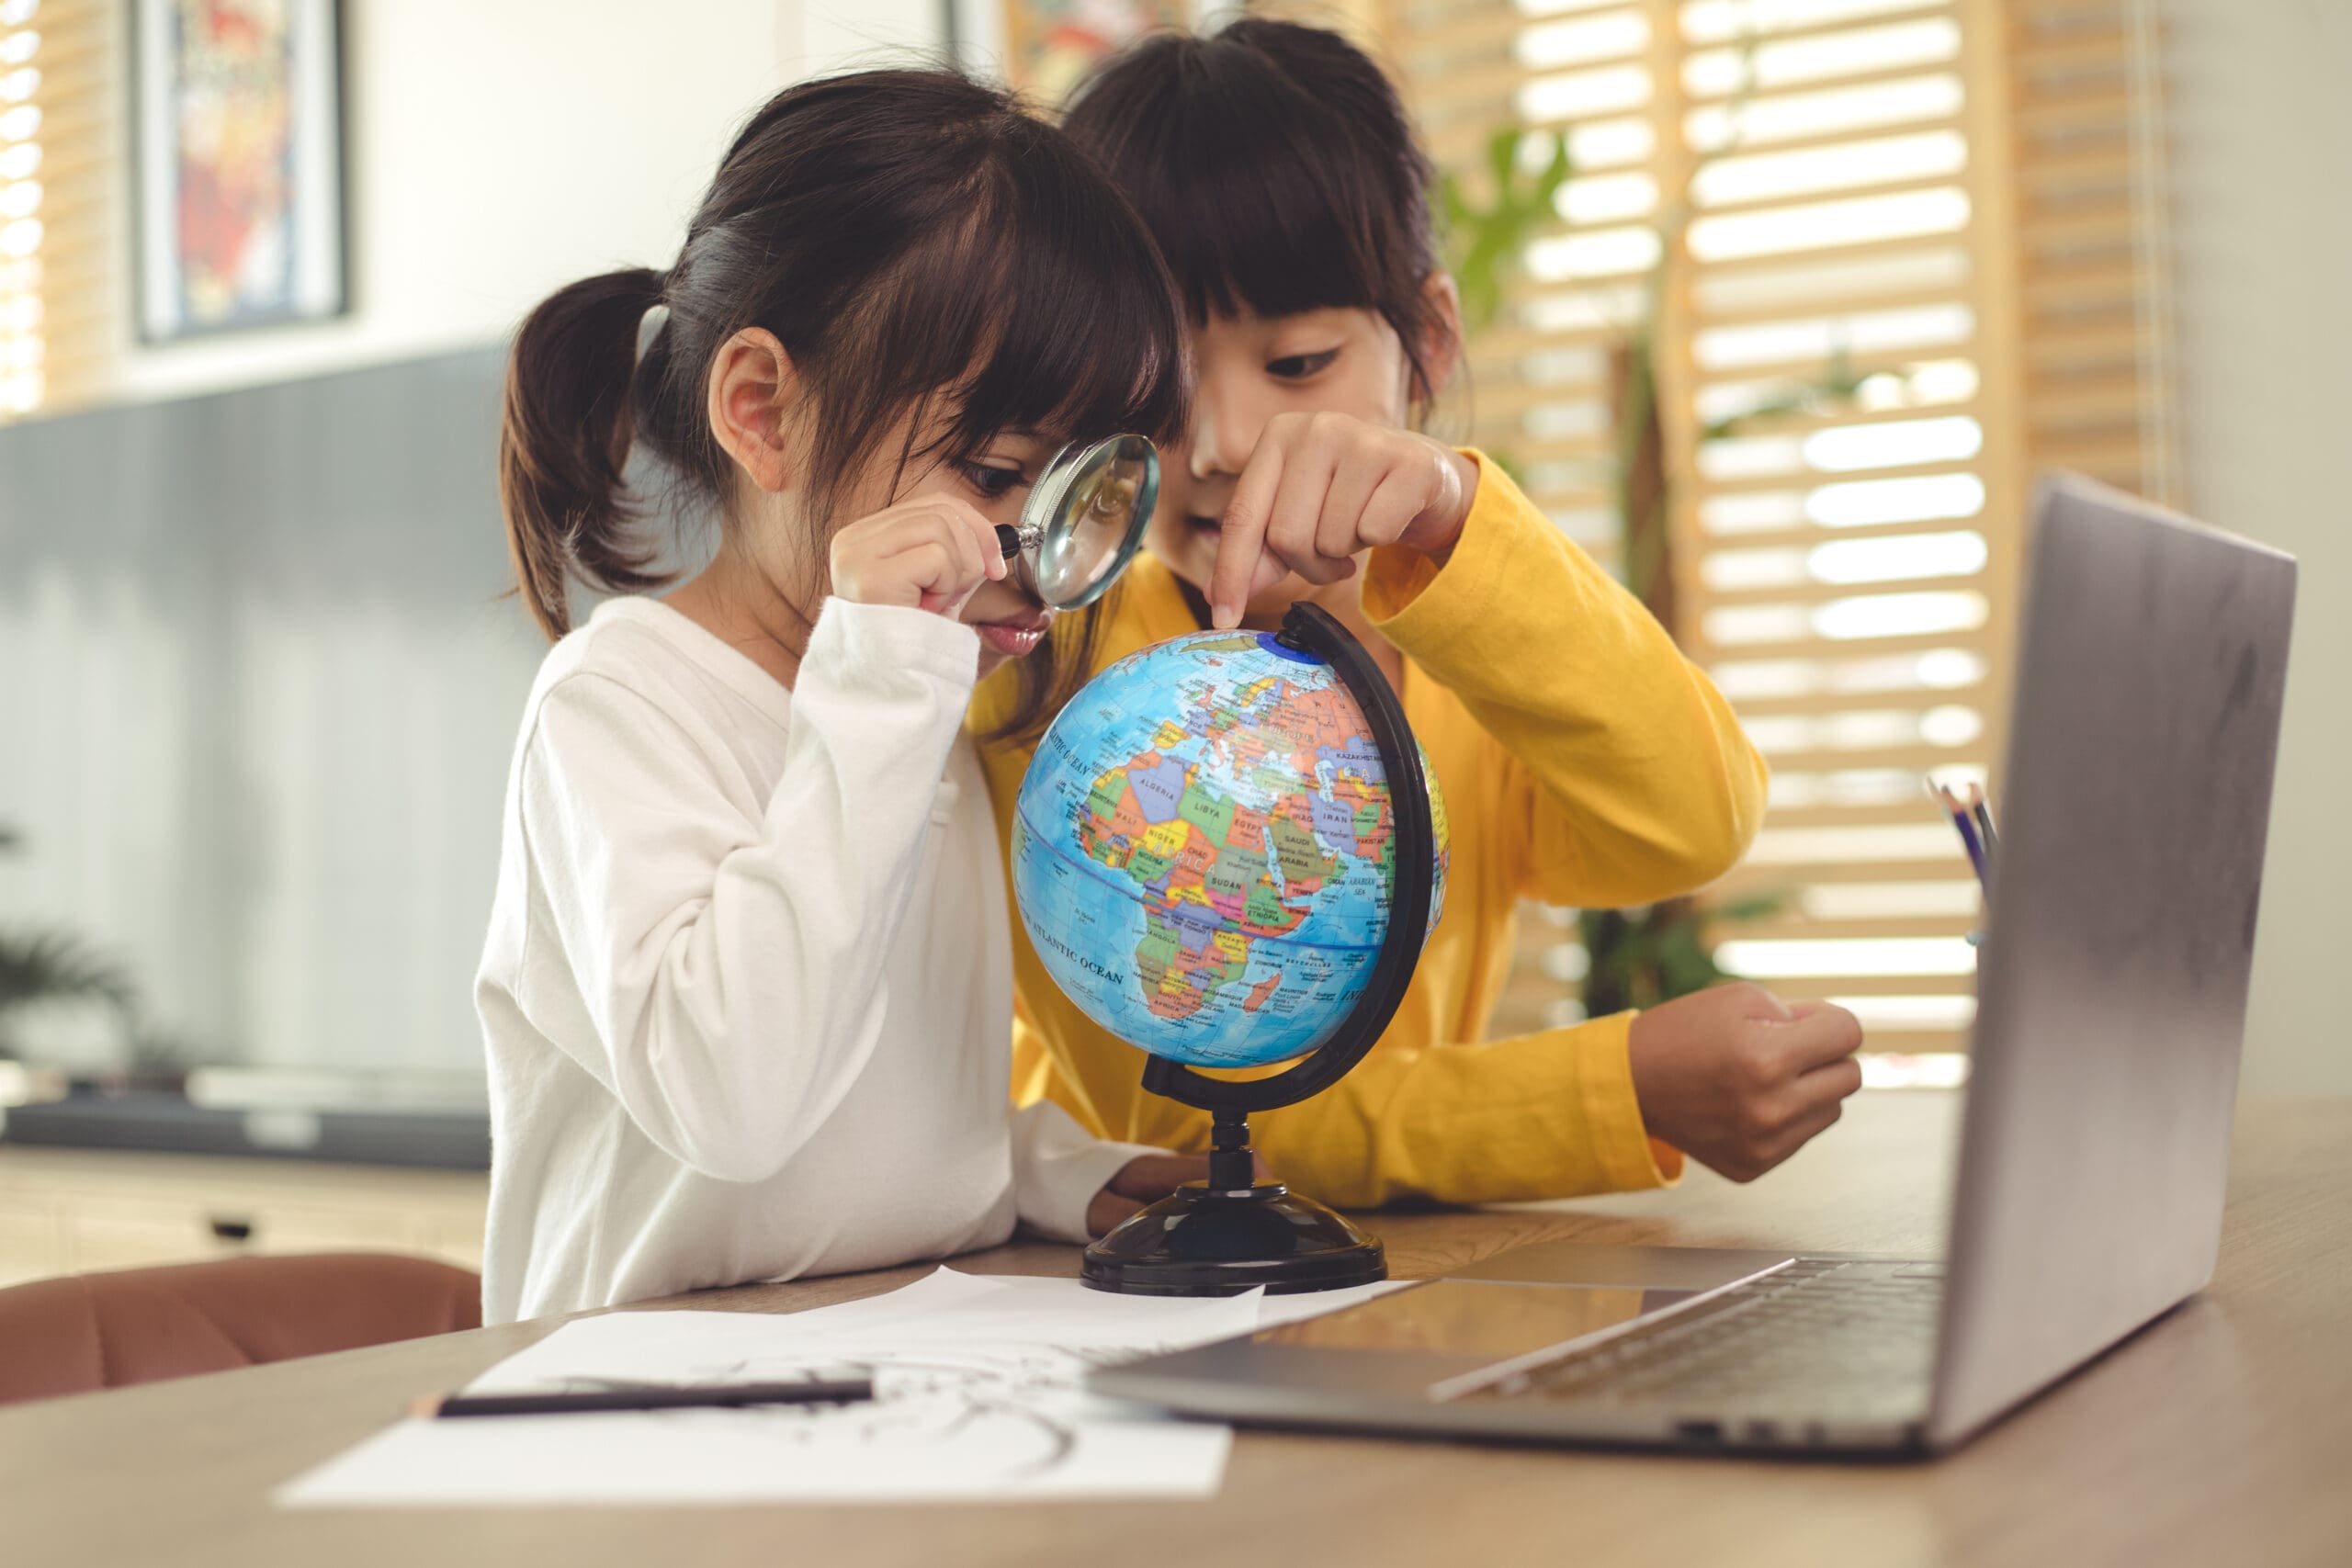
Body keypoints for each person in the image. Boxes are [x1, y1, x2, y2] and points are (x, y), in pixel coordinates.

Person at [972, 21, 1865, 1209]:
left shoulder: (1466, 634)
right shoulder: (1043, 655)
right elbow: (1193, 1123)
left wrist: (1454, 518)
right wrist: (1618, 1092)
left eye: (1297, 364)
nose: (1225, 443)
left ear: (1429, 341)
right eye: (1158, 378)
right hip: (1114, 1325)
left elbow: (1691, 821)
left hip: (1431, 1298)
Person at [474, 70, 1214, 1325]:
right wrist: (884, 683)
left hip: (904, 1349)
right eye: (993, 473)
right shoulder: (620, 700)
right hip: (638, 1407)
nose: (1040, 559)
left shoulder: (911, 711)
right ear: (764, 414)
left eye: (1078, 493)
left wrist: (1049, 1168)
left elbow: (880, 1110)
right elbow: (739, 1100)